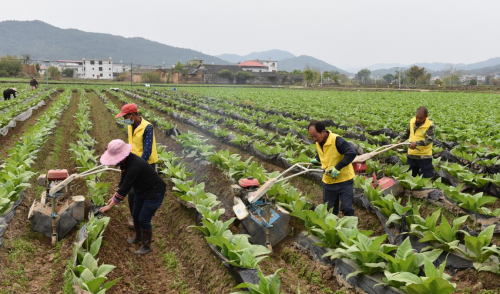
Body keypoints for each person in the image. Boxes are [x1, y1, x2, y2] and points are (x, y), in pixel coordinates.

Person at [99, 139, 166, 255]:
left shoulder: (134, 165)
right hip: (141, 189)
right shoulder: (126, 162)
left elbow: (125, 188)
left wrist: (109, 206)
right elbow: (123, 179)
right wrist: (115, 194)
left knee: (143, 219)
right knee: (135, 215)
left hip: (154, 192)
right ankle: (138, 237)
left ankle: (146, 246)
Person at [115, 103, 159, 229]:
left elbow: (147, 151)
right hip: (135, 162)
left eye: (125, 117)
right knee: (132, 192)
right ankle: (134, 216)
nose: (124, 120)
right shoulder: (131, 126)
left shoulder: (147, 127)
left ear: (132, 115)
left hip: (147, 165)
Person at [308, 121, 356, 216]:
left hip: (344, 181)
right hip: (328, 181)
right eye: (311, 137)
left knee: (347, 208)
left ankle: (350, 229)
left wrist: (337, 167)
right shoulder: (319, 141)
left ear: (323, 132)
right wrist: (318, 159)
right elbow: (325, 152)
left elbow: (351, 153)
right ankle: (333, 228)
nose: (314, 139)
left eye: (315, 136)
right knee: (330, 211)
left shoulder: (337, 140)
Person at [400, 106, 435, 178]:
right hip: (411, 155)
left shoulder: (430, 125)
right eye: (417, 117)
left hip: (424, 157)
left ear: (426, 116)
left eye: (421, 118)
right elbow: (407, 132)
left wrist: (416, 143)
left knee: (427, 178)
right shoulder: (412, 121)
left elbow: (429, 140)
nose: (418, 119)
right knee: (410, 177)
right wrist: (400, 140)